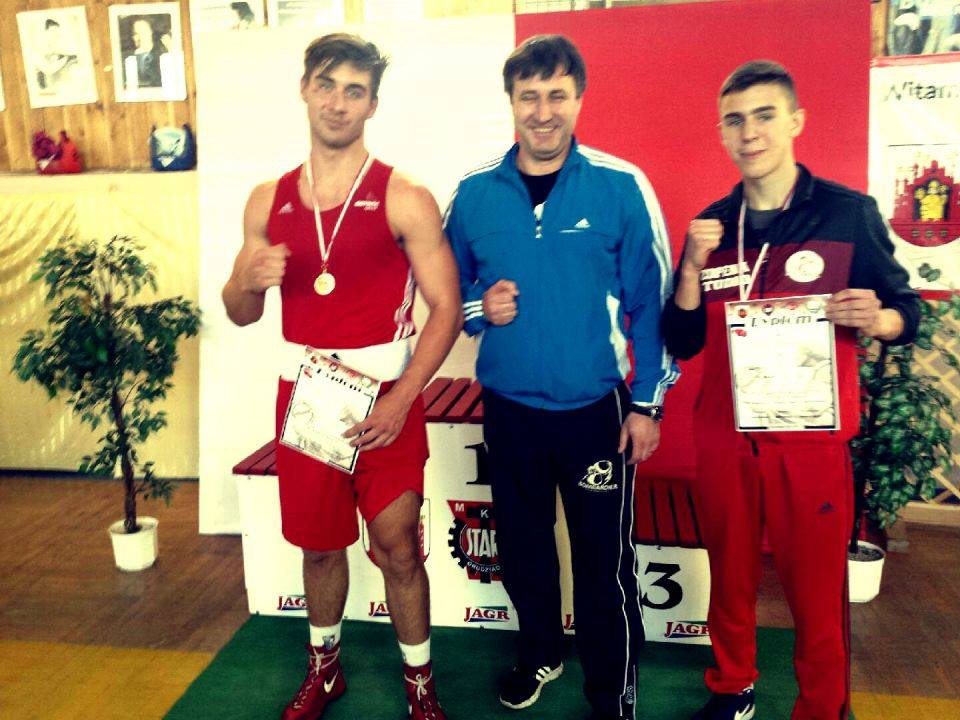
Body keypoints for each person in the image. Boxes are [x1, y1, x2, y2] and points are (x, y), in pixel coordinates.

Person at [660, 60, 920, 720]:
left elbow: (905, 311)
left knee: (816, 588)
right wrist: (689, 268)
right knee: (730, 573)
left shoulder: (847, 214)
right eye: (734, 120)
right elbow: (682, 340)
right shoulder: (712, 226)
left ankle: (823, 705)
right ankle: (733, 686)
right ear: (722, 132)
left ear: (796, 121)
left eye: (764, 115)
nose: (749, 132)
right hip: (725, 435)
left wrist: (878, 319)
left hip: (809, 439)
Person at [222, 33, 461, 720]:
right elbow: (240, 312)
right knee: (321, 548)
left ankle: (420, 683)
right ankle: (325, 671)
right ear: (305, 88)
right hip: (307, 400)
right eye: (326, 85)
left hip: (386, 399)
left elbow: (446, 307)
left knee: (398, 547)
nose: (337, 102)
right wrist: (246, 280)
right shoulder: (267, 200)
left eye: (354, 91)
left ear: (373, 105)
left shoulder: (405, 195)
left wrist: (404, 399)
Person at [445, 34, 677, 720]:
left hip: (594, 411)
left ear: (579, 99)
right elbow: (442, 289)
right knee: (522, 548)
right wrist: (477, 308)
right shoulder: (474, 193)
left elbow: (652, 301)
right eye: (529, 97)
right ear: (511, 102)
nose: (542, 112)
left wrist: (646, 405)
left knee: (603, 563)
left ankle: (611, 692)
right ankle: (539, 652)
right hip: (509, 408)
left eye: (556, 96)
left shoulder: (620, 185)